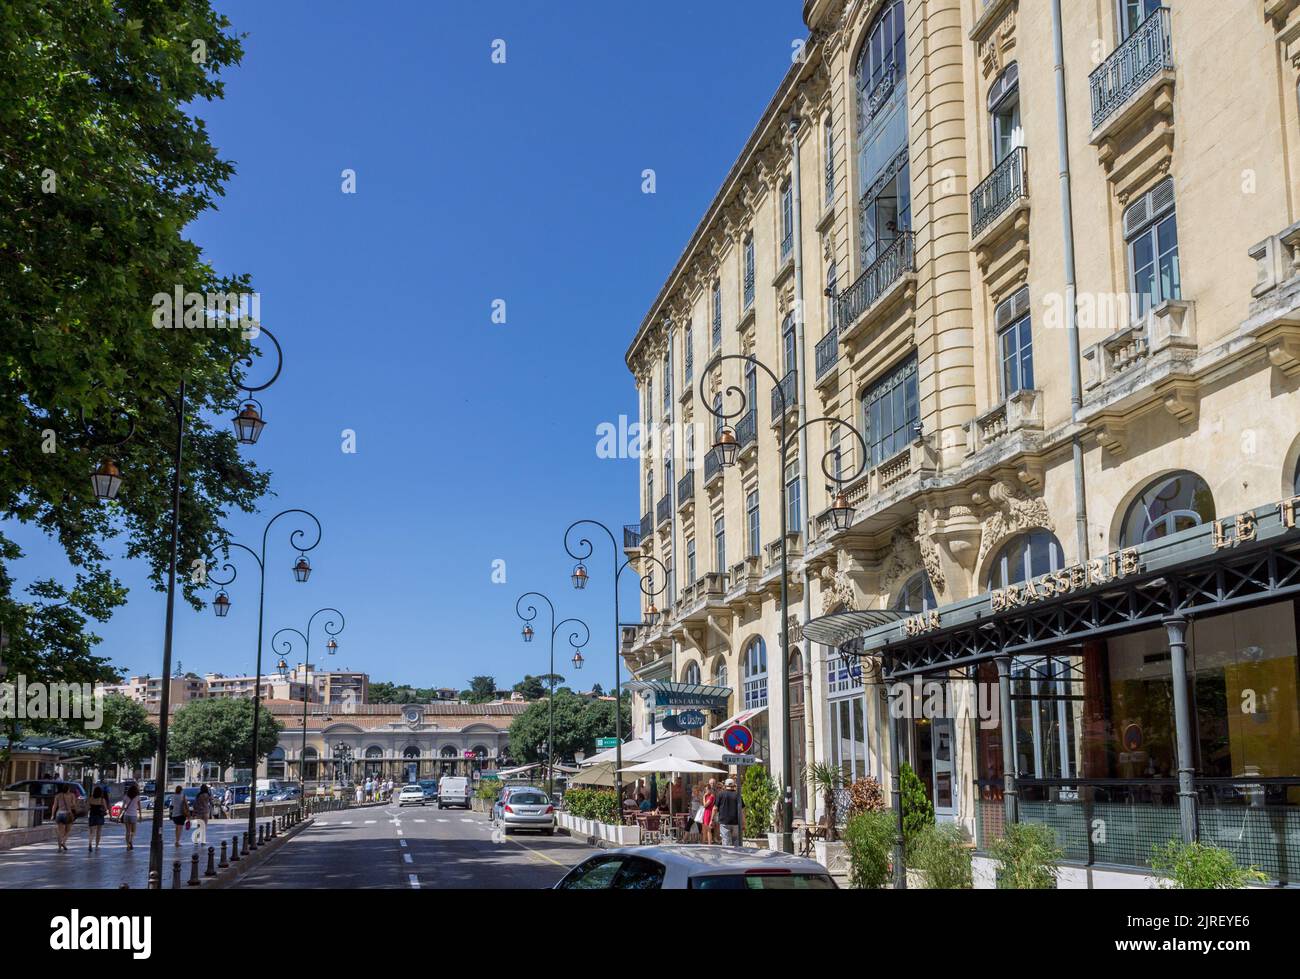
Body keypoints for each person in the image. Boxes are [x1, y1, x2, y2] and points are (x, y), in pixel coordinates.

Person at [50, 783, 77, 852]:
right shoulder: (72, 795)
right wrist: (70, 805)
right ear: (68, 789)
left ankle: (59, 848)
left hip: (59, 814)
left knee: (60, 832)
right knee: (68, 830)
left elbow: (54, 806)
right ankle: (63, 841)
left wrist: (52, 815)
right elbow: (73, 805)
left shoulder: (58, 795)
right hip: (68, 814)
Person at [715, 777, 741, 846]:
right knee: (736, 841)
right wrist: (744, 822)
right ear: (733, 785)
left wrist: (712, 819)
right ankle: (736, 855)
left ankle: (727, 856)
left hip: (724, 822)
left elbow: (715, 808)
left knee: (726, 842)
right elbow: (742, 809)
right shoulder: (737, 795)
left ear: (725, 785)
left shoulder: (720, 794)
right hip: (736, 822)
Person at [86, 785, 109, 852]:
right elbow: (105, 808)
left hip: (92, 815)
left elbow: (87, 807)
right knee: (99, 831)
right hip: (99, 816)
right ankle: (96, 845)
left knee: (92, 832)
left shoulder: (90, 798)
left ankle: (90, 842)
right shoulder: (102, 799)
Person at [119, 783, 142, 850]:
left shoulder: (126, 796)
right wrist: (140, 815)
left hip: (126, 815)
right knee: (133, 831)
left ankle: (127, 845)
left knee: (127, 831)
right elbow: (139, 807)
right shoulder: (137, 797)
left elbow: (123, 807)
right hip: (133, 815)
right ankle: (130, 841)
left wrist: (118, 816)